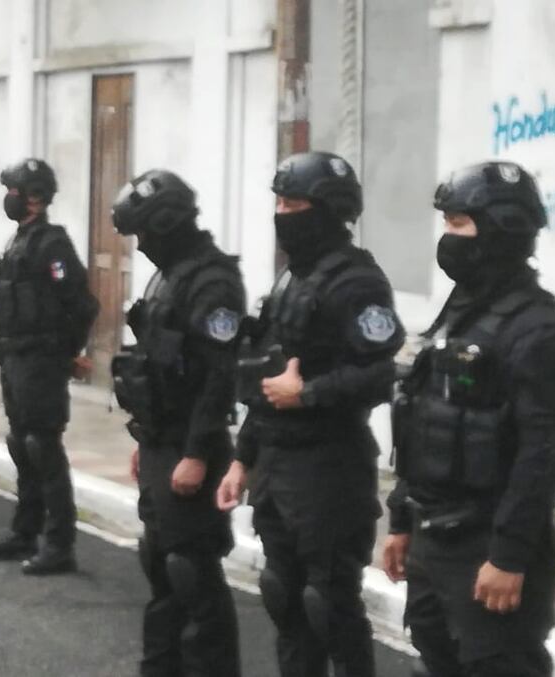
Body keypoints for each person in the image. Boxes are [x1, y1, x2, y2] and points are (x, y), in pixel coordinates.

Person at [382, 161, 555, 677]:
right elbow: (420, 419)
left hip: (488, 543)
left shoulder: (541, 330)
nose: (447, 237)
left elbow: (546, 454)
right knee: (435, 655)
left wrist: (509, 557)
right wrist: (402, 519)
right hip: (432, 537)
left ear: (502, 230)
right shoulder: (459, 312)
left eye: (459, 224)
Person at [216, 151, 405, 677]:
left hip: (330, 467)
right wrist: (241, 460)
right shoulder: (288, 280)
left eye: (294, 203)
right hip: (276, 464)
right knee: (282, 594)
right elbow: (266, 380)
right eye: (278, 201)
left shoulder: (357, 282)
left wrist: (311, 394)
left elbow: (382, 374)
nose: (282, 212)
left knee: (330, 604)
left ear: (328, 210)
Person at [110, 169, 244, 675]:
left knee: (191, 572)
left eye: (145, 232)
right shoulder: (168, 275)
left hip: (194, 446)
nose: (141, 245)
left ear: (167, 224)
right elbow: (157, 368)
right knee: (161, 564)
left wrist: (196, 453)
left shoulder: (213, 281)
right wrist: (145, 439)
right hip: (162, 441)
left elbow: (217, 377)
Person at [0, 159, 99, 575]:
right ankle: (24, 532)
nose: (7, 197)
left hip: (41, 360)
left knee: (41, 447)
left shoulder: (52, 245)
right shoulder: (19, 241)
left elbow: (81, 303)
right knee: (19, 444)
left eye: (14, 190)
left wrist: (69, 352)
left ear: (35, 197)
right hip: (14, 356)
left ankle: (60, 544)